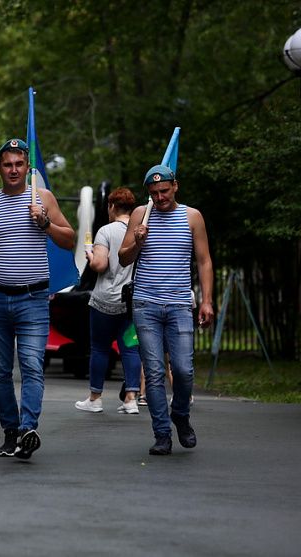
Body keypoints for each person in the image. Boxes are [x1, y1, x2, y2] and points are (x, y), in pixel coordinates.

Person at [0, 139, 75, 459]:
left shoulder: (43, 199)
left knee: (31, 366)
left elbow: (68, 239)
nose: (14, 170)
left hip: (33, 298)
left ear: (27, 168)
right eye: (7, 165)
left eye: (19, 164)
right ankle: (10, 430)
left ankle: (28, 429)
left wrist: (45, 222)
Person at [118, 164, 214, 456]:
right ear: (148, 194)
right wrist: (137, 241)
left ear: (175, 187)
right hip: (146, 304)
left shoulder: (192, 217)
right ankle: (162, 434)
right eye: (154, 193)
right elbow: (123, 259)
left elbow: (204, 261)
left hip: (179, 305)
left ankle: (180, 415)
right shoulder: (140, 215)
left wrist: (207, 300)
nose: (160, 197)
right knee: (155, 372)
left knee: (183, 370)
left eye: (164, 191)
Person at [74, 187, 142, 414]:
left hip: (104, 301)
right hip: (131, 302)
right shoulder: (140, 232)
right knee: (130, 349)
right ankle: (131, 399)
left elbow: (100, 266)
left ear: (111, 207)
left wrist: (91, 256)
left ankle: (95, 398)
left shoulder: (106, 231)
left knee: (100, 349)